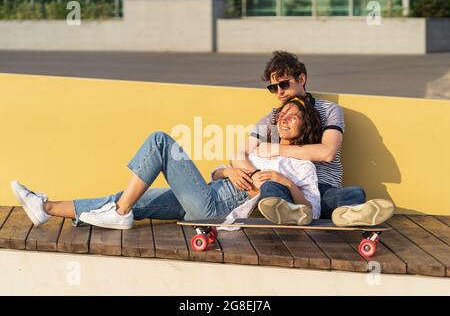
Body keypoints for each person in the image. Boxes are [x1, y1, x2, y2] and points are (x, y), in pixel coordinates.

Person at [11, 97, 324, 230]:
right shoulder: (262, 149)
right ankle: (46, 207)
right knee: (130, 197)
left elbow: (311, 210)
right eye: (282, 114)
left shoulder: (302, 166)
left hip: (217, 210)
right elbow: (215, 174)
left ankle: (119, 214)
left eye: (293, 115)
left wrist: (285, 183)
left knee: (161, 141)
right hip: (208, 193)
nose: (284, 118)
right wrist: (228, 170)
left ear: (305, 127)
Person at [231, 51, 394, 227]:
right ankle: (293, 212)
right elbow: (240, 154)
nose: (279, 92)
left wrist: (276, 149)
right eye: (273, 88)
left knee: (353, 193)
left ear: (301, 79)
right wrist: (255, 174)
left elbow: (328, 152)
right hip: (286, 183)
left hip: (323, 187)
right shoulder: (273, 117)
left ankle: (349, 212)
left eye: (284, 84)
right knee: (272, 189)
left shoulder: (329, 110)